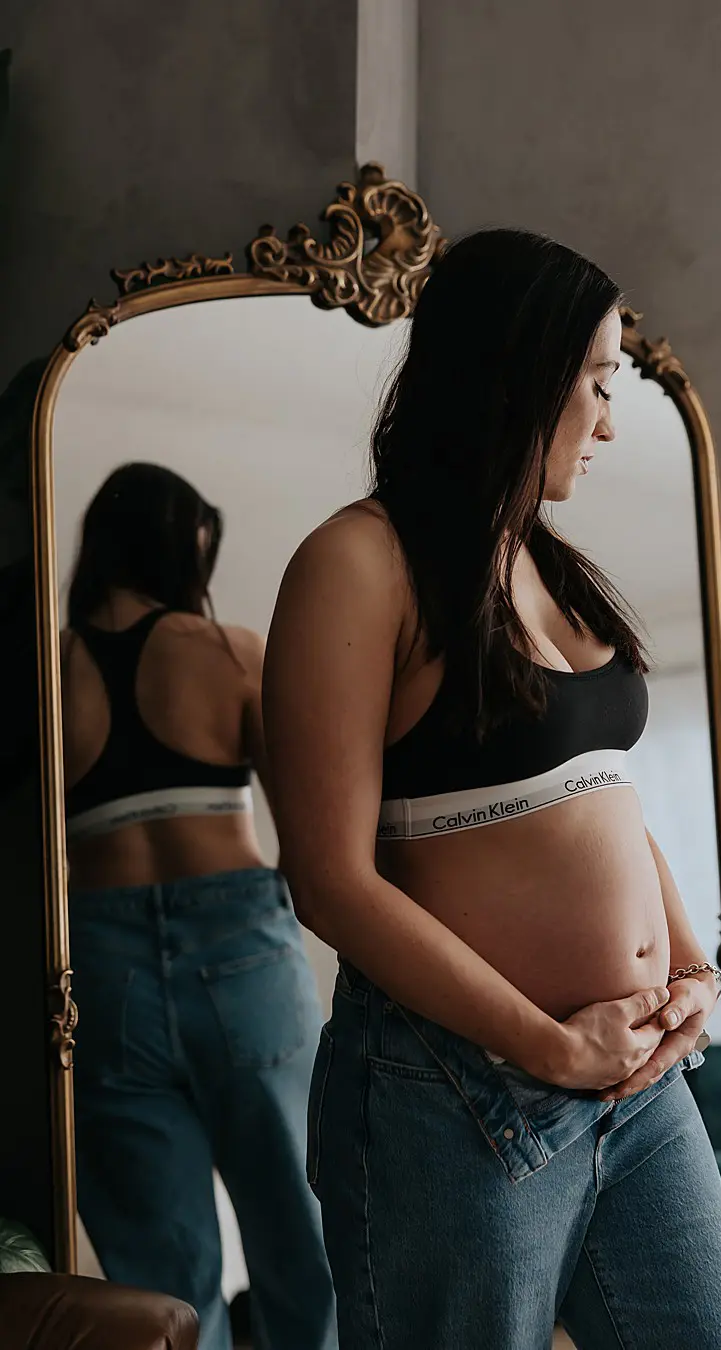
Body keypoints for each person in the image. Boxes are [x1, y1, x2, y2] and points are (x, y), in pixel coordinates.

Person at [263, 228, 721, 1348]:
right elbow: (329, 882)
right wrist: (549, 1047)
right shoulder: (356, 564)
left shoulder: (543, 559)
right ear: (515, 373)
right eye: (593, 380)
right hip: (455, 1099)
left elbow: (603, 798)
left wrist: (684, 965)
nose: (610, 416)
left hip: (634, 1090)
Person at [59, 462, 336, 1350]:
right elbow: (310, 834)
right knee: (305, 1234)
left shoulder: (42, 665)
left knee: (159, 1274)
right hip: (240, 949)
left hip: (100, 963)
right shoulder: (227, 652)